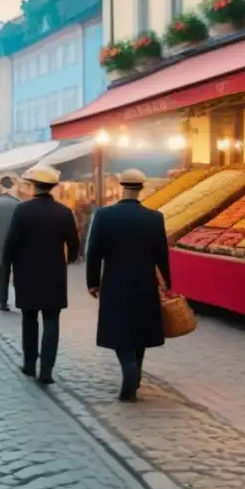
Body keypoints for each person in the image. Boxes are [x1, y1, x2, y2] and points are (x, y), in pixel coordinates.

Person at [86, 169, 170, 402]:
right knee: (139, 330)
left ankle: (130, 372)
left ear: (120, 186)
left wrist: (93, 282)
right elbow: (162, 254)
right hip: (144, 282)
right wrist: (167, 282)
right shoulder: (155, 217)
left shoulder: (104, 215)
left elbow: (94, 253)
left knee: (119, 329)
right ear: (141, 188)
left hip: (115, 282)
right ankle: (135, 376)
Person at [1, 166, 80, 384]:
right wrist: (68, 259)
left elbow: (11, 243)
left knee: (29, 319)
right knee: (52, 321)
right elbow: (74, 245)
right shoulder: (64, 212)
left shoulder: (22, 210)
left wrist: (7, 265)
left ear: (34, 186)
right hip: (54, 274)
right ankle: (46, 370)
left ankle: (29, 364)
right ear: (53, 187)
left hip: (27, 273)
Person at [0, 176, 21, 311]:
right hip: (16, 244)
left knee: (1, 274)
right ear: (12, 186)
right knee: (18, 273)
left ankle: (2, 301)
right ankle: (20, 299)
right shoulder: (18, 203)